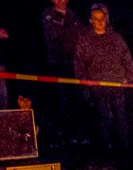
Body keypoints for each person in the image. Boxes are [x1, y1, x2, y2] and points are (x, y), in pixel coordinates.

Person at [74, 4, 133, 153]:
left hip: (117, 83)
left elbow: (127, 58)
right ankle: (105, 147)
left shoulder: (116, 38)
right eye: (96, 19)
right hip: (98, 84)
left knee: (120, 116)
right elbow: (79, 63)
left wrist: (129, 77)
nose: (100, 22)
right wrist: (85, 82)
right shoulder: (85, 40)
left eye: (102, 19)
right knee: (103, 115)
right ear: (90, 20)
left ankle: (124, 147)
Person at [40, 0, 83, 144]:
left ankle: (75, 133)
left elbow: (79, 37)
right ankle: (61, 134)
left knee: (76, 98)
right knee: (61, 99)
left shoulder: (74, 15)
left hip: (74, 63)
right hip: (57, 63)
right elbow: (53, 35)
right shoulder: (48, 14)